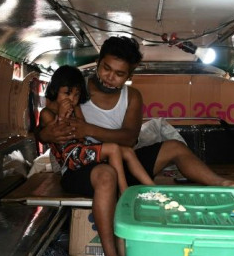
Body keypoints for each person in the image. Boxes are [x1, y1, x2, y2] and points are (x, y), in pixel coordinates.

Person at [37, 36, 234, 256]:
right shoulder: (78, 90)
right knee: (107, 174)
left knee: (174, 147)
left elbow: (130, 137)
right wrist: (46, 134)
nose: (110, 77)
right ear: (98, 64)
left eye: (119, 74)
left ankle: (227, 185)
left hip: (122, 158)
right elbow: (45, 126)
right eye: (106, 69)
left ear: (129, 76)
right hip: (84, 169)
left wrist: (89, 128)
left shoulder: (131, 96)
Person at [40, 65, 155, 195]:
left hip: (82, 147)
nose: (72, 99)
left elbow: (82, 126)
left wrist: (75, 112)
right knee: (113, 149)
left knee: (127, 151)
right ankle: (124, 192)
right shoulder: (46, 113)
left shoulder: (75, 107)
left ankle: (154, 188)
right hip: (70, 156)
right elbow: (60, 135)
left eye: (76, 95)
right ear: (55, 90)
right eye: (67, 93)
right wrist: (62, 115)